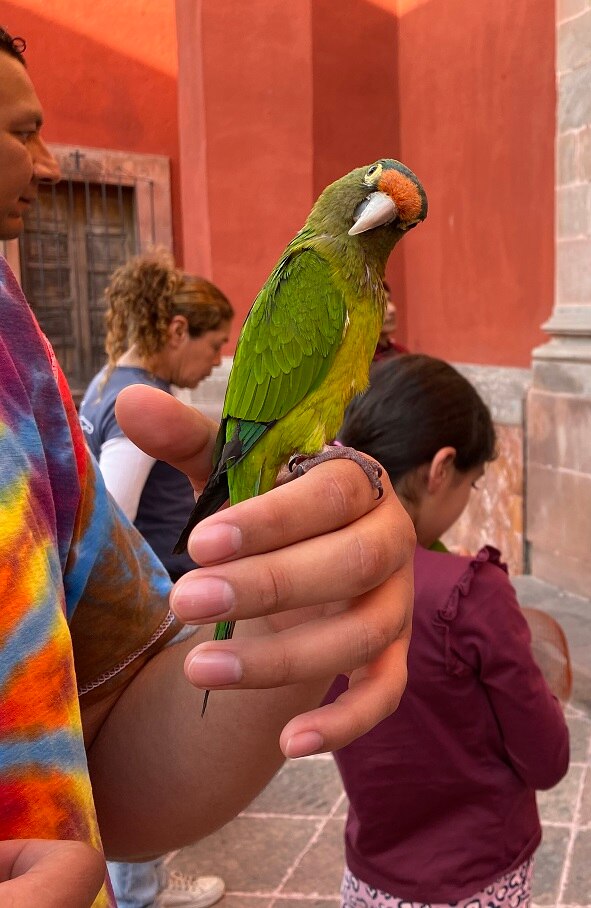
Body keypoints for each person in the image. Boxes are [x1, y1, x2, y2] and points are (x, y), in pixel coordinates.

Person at [0, 27, 413, 907]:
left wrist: (288, 614)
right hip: (263, 440)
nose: (44, 163)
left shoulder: (17, 357)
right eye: (378, 192)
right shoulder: (313, 272)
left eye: (400, 216)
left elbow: (114, 752)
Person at [328, 354, 570, 908]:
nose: (469, 499)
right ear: (441, 469)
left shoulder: (315, 584)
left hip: (374, 873)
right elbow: (546, 758)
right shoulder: (470, 594)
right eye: (473, 483)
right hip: (476, 873)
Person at [79, 251, 233, 907]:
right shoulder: (145, 404)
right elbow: (110, 515)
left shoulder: (105, 381)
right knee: (147, 765)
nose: (218, 362)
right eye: (214, 344)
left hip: (146, 606)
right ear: (175, 332)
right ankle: (143, 892)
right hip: (156, 606)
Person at [372, 281, 407, 361]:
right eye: (381, 303)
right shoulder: (360, 362)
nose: (392, 309)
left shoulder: (401, 353)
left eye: (389, 300)